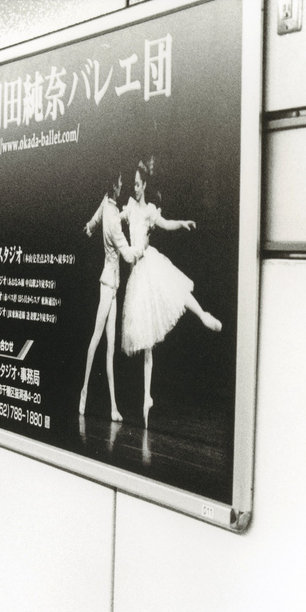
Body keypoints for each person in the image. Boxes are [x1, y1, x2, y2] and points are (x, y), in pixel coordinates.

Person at [119, 158, 222, 426]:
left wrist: (183, 222)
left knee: (175, 287)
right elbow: (115, 219)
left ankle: (202, 314)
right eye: (134, 184)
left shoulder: (150, 210)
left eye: (139, 184)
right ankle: (146, 398)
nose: (136, 188)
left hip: (149, 262)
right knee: (147, 343)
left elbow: (166, 223)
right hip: (137, 272)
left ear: (145, 185)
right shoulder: (129, 207)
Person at [79, 171, 139, 421]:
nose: (123, 185)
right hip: (108, 284)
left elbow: (93, 221)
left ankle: (113, 407)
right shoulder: (113, 220)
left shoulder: (107, 204)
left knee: (110, 348)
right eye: (120, 183)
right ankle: (83, 392)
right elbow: (126, 254)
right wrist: (143, 248)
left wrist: (90, 228)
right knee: (96, 339)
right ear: (114, 187)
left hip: (112, 286)